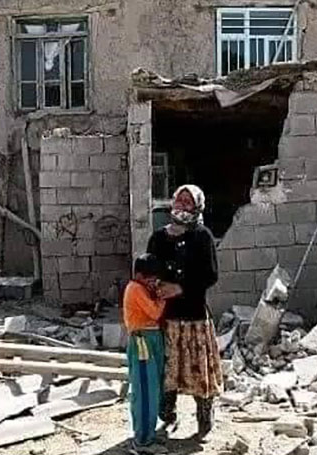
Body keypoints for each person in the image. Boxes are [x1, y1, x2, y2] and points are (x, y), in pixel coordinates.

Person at [147, 184, 222, 438]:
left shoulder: (202, 237)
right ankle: (168, 416)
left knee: (199, 370)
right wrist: (157, 286)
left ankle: (204, 418)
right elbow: (148, 270)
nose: (181, 206)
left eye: (188, 202)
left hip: (194, 316)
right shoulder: (158, 238)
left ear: (197, 207)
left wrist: (179, 287)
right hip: (166, 317)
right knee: (167, 369)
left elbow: (210, 275)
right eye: (179, 201)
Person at [123, 253, 167, 453]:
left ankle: (148, 431)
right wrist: (161, 296)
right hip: (143, 341)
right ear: (139, 275)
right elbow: (155, 313)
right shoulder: (135, 289)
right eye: (149, 277)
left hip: (152, 339)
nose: (153, 280)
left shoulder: (142, 287)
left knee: (153, 388)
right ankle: (142, 440)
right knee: (144, 391)